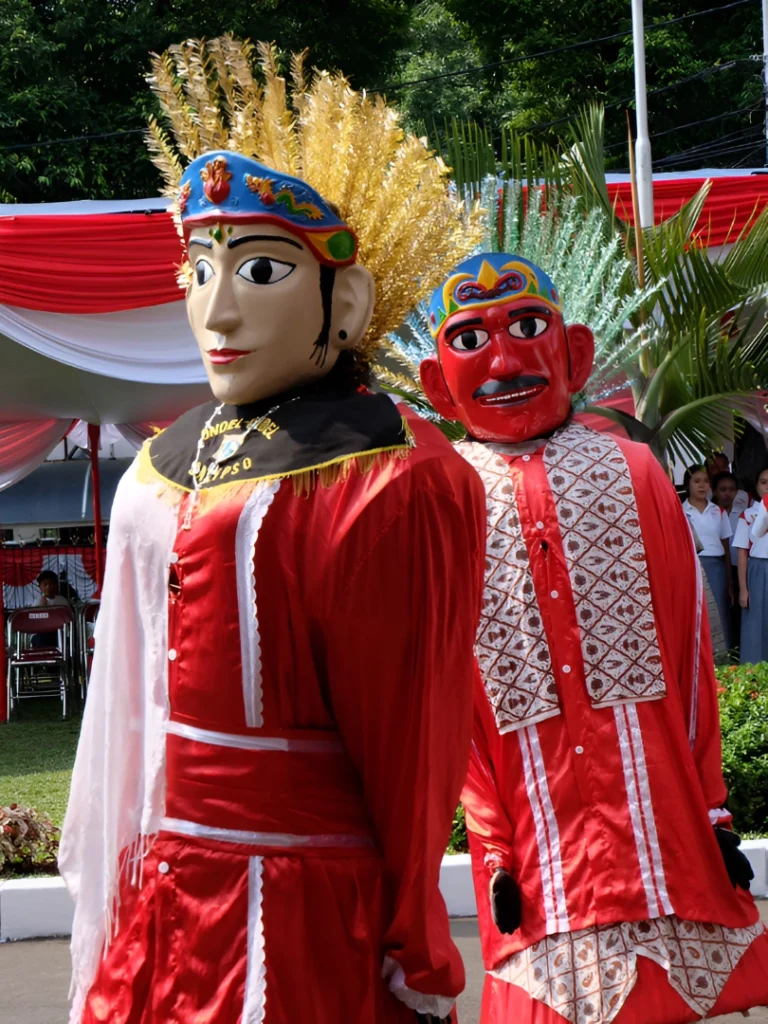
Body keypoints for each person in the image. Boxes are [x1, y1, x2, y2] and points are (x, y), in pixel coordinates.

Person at [59, 44, 486, 1024]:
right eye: (198, 266)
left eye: (258, 269)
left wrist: (416, 950)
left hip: (296, 923)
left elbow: (413, 743)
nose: (216, 308)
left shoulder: (395, 477)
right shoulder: (165, 462)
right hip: (167, 906)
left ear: (348, 301)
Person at [420, 251, 768, 1024]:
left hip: (657, 822)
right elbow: (445, 690)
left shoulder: (636, 469)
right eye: (472, 340)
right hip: (533, 835)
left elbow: (687, 652)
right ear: (438, 382)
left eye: (528, 328)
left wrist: (712, 808)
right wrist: (491, 835)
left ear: (573, 352)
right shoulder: (443, 499)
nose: (506, 359)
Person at [683, 465, 733, 651]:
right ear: (688, 484)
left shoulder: (718, 511)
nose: (702, 485)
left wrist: (729, 582)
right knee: (697, 613)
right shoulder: (681, 510)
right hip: (693, 566)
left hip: (717, 567)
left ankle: (723, 658)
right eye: (697, 481)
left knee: (720, 612)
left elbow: (726, 548)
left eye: (705, 481)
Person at [711, 470, 750, 651]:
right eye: (723, 489)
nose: (727, 493)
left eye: (732, 489)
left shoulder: (743, 513)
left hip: (741, 568)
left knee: (739, 608)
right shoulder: (711, 512)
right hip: (719, 566)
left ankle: (738, 645)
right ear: (715, 491)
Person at [735, 465, 768, 664]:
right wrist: (743, 589)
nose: (767, 487)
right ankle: (754, 673)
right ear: (756, 486)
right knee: (756, 622)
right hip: (757, 571)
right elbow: (742, 553)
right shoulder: (747, 515)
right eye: (763, 483)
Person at [30, 570, 71, 649]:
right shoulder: (37, 602)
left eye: (51, 584)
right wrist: (43, 607)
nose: (48, 587)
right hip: (41, 634)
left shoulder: (62, 601)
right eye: (45, 584)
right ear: (40, 587)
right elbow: (33, 622)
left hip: (58, 633)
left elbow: (69, 619)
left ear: (56, 585)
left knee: (64, 640)